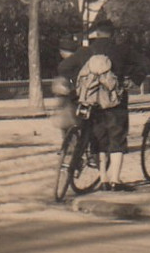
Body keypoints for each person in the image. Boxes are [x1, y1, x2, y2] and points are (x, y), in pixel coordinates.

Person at [55, 20, 135, 191]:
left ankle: (103, 180)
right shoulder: (122, 51)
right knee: (117, 139)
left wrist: (78, 83)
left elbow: (63, 67)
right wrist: (131, 79)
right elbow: (142, 66)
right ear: (112, 34)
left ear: (96, 34)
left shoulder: (85, 51)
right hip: (115, 103)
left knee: (99, 140)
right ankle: (115, 180)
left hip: (91, 103)